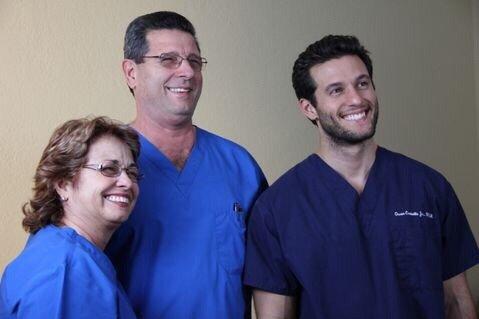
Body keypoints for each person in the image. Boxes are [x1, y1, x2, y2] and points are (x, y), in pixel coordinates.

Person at [243, 35, 479, 319]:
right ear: (309, 108)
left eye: (362, 83)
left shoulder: (429, 187)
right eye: (336, 90)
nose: (356, 99)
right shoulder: (276, 209)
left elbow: (456, 301)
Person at [105, 11, 267, 319]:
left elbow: (270, 272)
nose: (188, 72)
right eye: (168, 60)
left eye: (194, 61)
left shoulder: (240, 165)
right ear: (131, 72)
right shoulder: (105, 169)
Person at [0, 116, 141, 318]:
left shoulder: (60, 249)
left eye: (132, 172)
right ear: (63, 184)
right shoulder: (64, 271)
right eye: (109, 169)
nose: (127, 182)